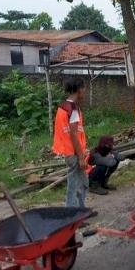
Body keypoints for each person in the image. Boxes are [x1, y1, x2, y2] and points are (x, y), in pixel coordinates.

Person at [52, 78, 89, 208]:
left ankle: (80, 210)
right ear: (79, 89)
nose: (85, 91)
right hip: (73, 154)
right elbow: (73, 134)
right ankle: (73, 213)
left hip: (70, 152)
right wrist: (80, 157)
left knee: (82, 182)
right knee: (75, 185)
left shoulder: (63, 107)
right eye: (84, 88)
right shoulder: (72, 109)